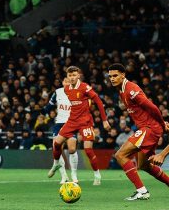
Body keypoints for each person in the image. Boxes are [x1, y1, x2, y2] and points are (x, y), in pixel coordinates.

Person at [108, 63, 169, 200]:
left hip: (150, 128)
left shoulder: (130, 89)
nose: (112, 78)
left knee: (120, 155)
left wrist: (161, 123)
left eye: (115, 75)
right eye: (110, 76)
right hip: (147, 128)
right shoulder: (121, 90)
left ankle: (142, 191)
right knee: (144, 165)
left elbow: (152, 107)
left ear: (123, 75)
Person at [48, 66, 110, 185]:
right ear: (67, 77)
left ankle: (97, 175)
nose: (72, 78)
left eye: (74, 75)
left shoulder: (85, 88)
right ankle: (56, 164)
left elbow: (98, 101)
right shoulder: (66, 89)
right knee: (56, 143)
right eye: (70, 76)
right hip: (71, 121)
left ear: (78, 76)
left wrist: (104, 120)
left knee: (88, 150)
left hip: (85, 122)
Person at [45, 78, 77, 184]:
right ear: (63, 83)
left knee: (72, 149)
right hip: (59, 124)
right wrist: (44, 111)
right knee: (57, 148)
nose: (67, 83)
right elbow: (49, 106)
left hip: (71, 124)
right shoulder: (57, 92)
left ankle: (74, 174)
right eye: (65, 81)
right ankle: (64, 176)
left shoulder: (77, 93)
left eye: (69, 81)